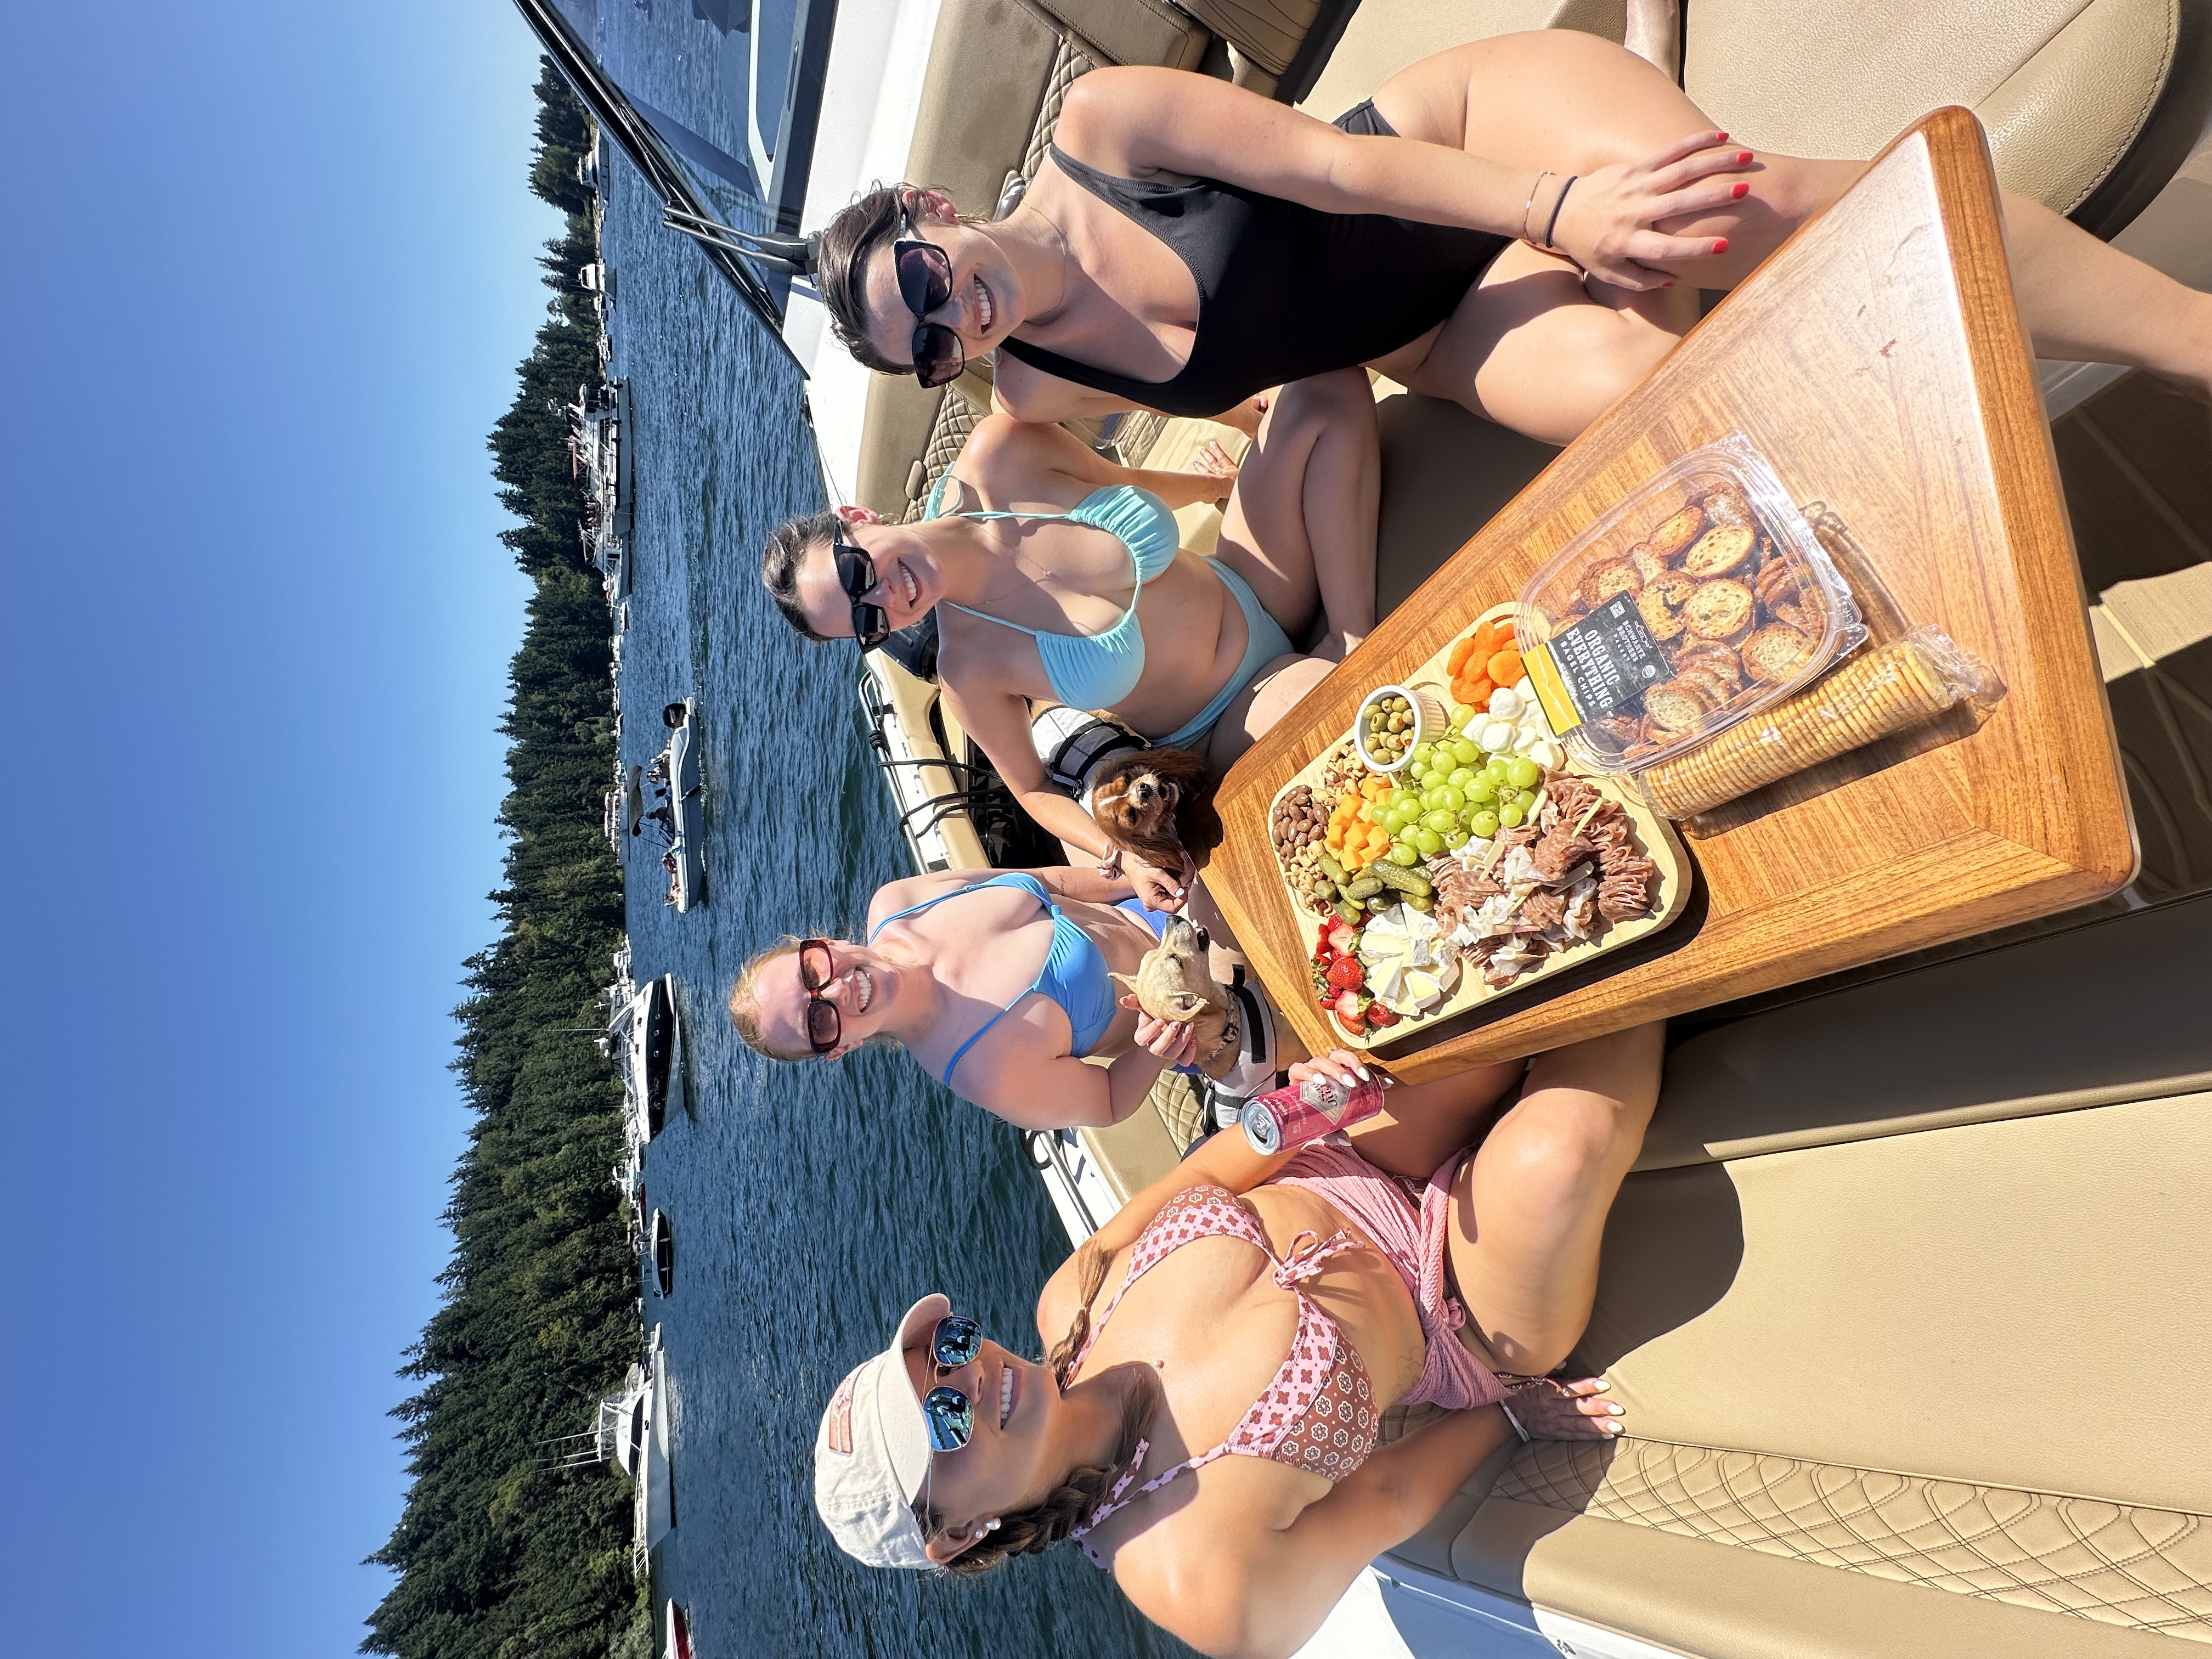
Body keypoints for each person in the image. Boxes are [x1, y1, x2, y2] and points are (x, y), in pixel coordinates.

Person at [812, 30, 2212, 447]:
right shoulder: (1042, 376)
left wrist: (1561, 210)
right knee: (1662, 419)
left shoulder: (1111, 127)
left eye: (924, 283)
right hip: (1432, 330)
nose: (955, 321)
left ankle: (2192, 347)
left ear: (935, 211)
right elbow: (1042, 484)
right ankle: (1647, 70)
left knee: (1723, 221)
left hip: (1480, 145)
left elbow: (1334, 167)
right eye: (926, 347)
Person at [813, 1025, 1663, 1659]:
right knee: (1556, 1154)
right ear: (958, 1534)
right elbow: (1389, 1500)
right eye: (946, 1417)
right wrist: (1514, 1421)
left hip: (1345, 1162)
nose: (972, 1372)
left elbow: (1211, 1173)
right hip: (1453, 1306)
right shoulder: (1197, 1576)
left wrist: (1305, 1105)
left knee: (1477, 1007)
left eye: (948, 1348)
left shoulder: (1068, 1300)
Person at [762, 394, 1375, 886]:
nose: (886, 600)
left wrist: (1224, 488)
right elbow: (1031, 790)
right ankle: (1347, 665)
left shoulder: (1001, 452)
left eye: (856, 575)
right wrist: (1119, 853)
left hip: (1245, 585)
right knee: (1333, 708)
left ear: (860, 519)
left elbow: (1126, 480)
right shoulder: (968, 669)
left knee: (1322, 396)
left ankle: (1354, 637)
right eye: (867, 621)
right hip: (1228, 713)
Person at [728, 864, 1218, 1128]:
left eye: (812, 970)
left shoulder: (899, 902)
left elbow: (1051, 882)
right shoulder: (983, 1071)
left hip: (1163, 901)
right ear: (840, 1048)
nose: (834, 990)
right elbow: (1109, 1102)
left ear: (824, 944)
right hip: (1204, 1007)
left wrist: (1133, 871)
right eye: (818, 1020)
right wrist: (1158, 1051)